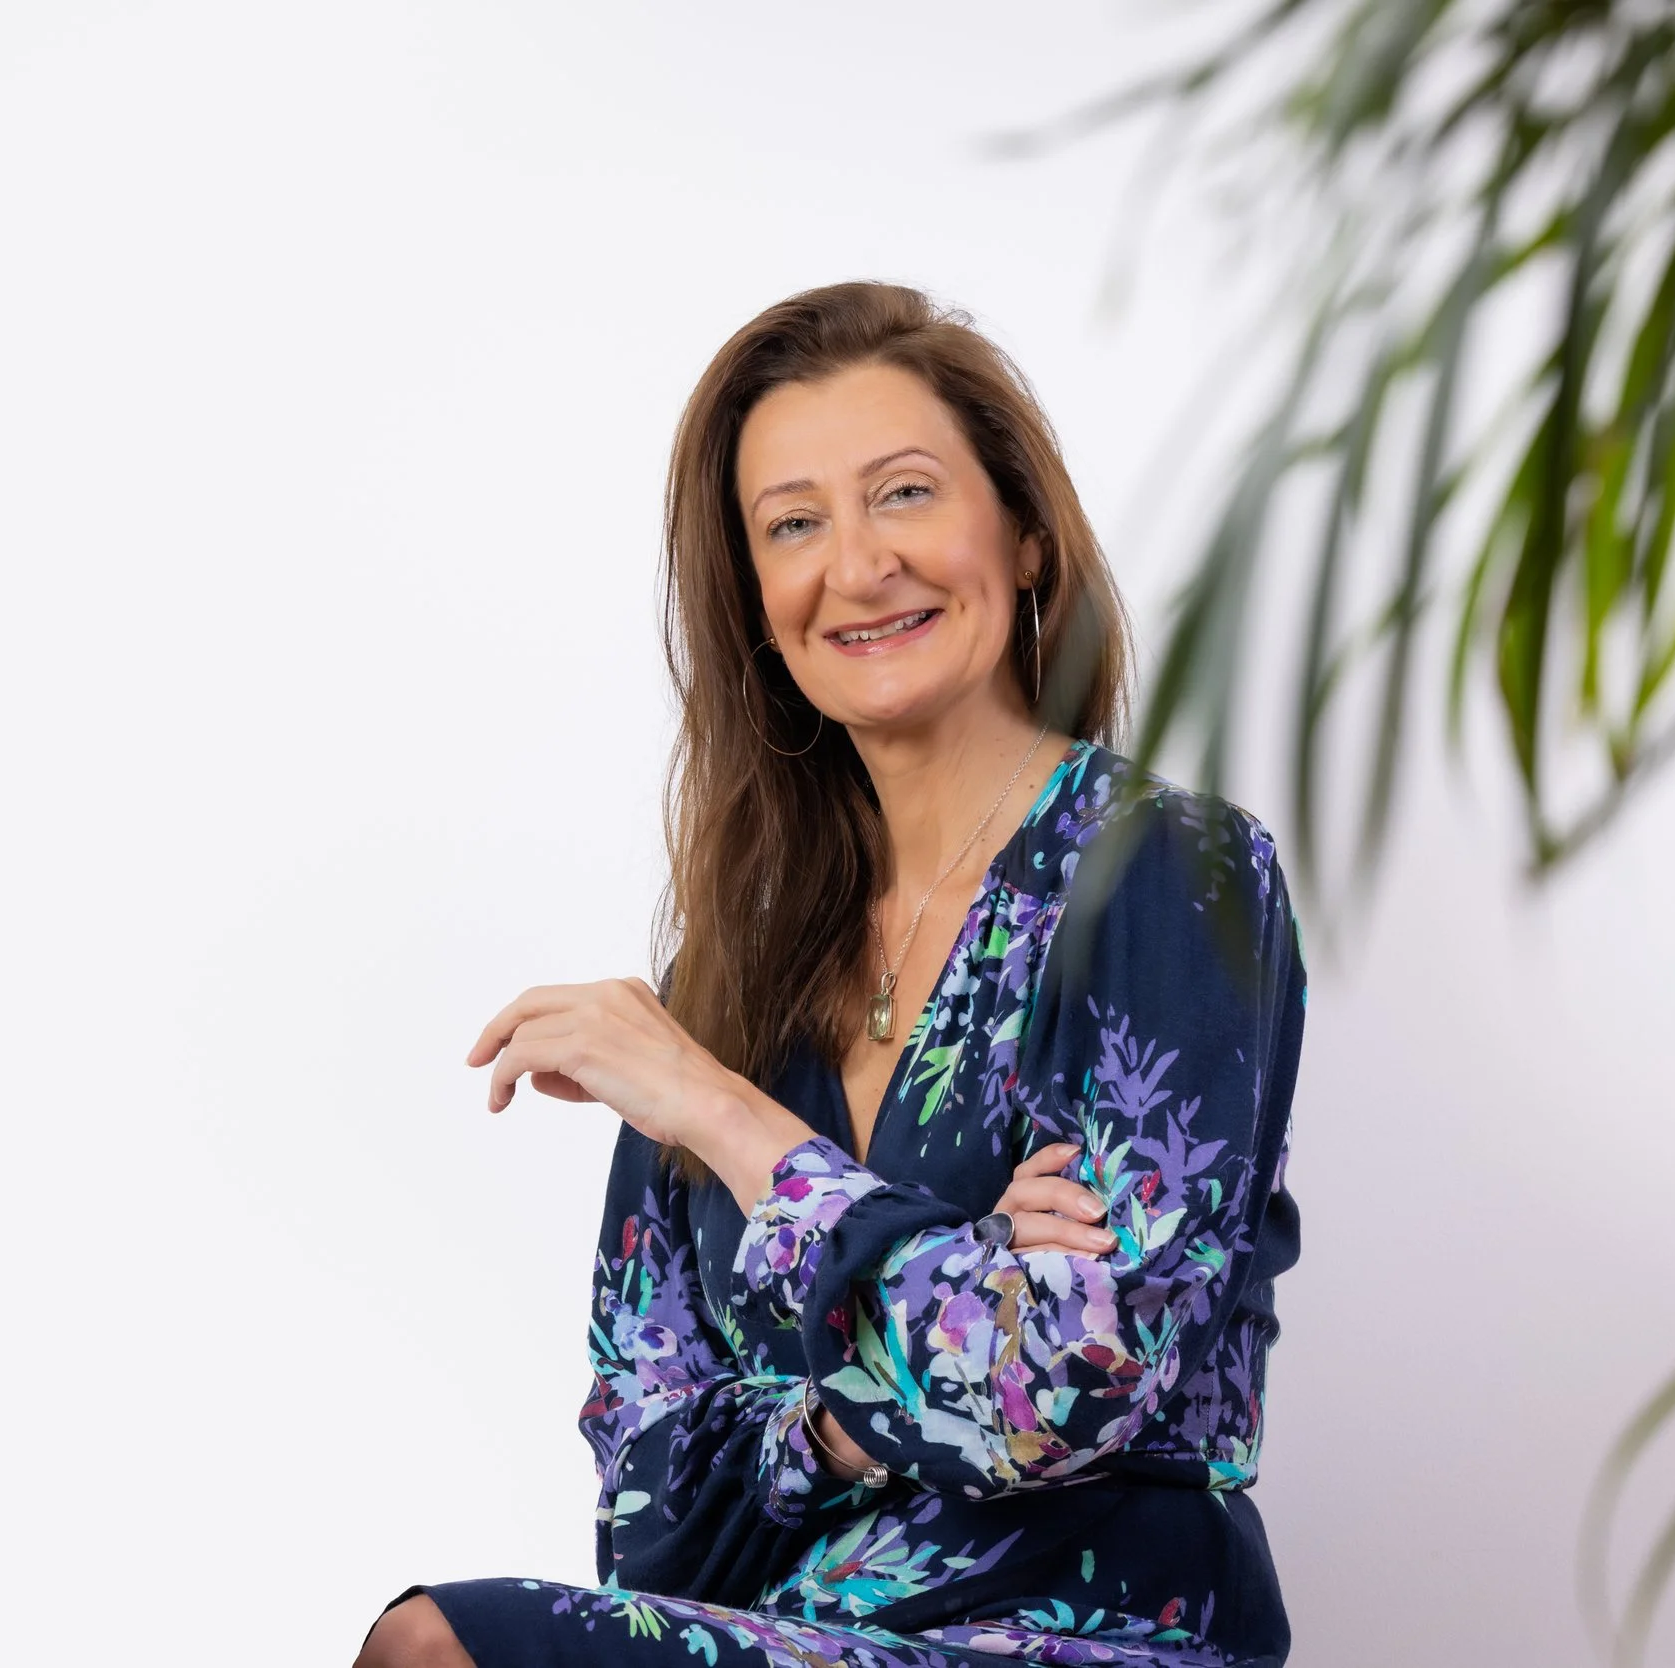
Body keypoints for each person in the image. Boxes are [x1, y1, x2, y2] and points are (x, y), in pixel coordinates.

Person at [357, 282, 1308, 1668]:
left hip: (1092, 1635)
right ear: (753, 599)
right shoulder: (733, 975)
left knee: (440, 1647)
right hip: (792, 1635)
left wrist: (736, 1127)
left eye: (905, 494)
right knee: (432, 1637)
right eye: (794, 523)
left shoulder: (1166, 875)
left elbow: (1063, 1394)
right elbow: (646, 1514)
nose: (857, 568)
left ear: (1026, 535)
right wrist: (903, 1354)